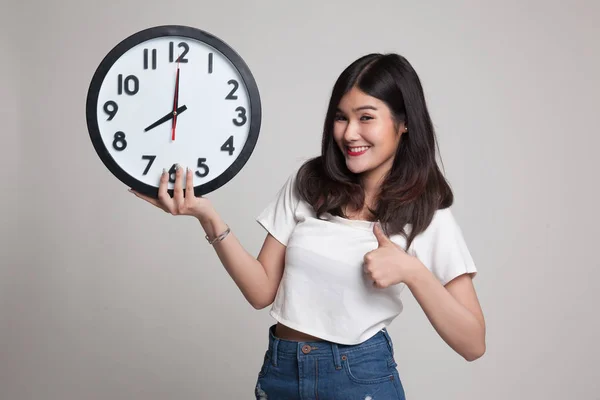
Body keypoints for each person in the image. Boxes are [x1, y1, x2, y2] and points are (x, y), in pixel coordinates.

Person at [130, 53, 486, 399]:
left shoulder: (425, 211)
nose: (349, 133)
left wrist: (412, 271)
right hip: (281, 372)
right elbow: (261, 291)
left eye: (366, 117)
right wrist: (207, 216)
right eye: (341, 118)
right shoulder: (310, 183)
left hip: (359, 380)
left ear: (403, 122)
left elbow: (473, 344)